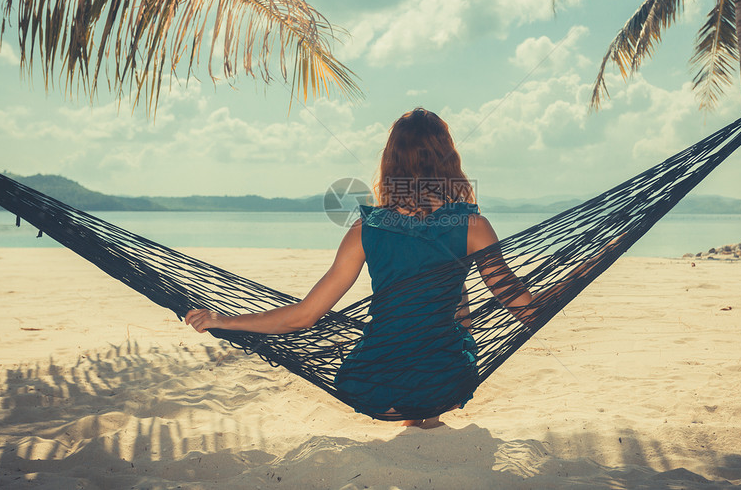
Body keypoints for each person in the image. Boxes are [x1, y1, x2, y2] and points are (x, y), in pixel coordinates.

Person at [185, 108, 537, 428]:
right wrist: (577, 276)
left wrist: (223, 320)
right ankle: (427, 417)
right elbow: (522, 307)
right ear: (447, 161)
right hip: (444, 384)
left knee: (435, 290)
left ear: (391, 162)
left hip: (374, 387)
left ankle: (411, 417)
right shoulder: (474, 227)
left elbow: (305, 316)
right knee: (452, 289)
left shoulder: (365, 230)